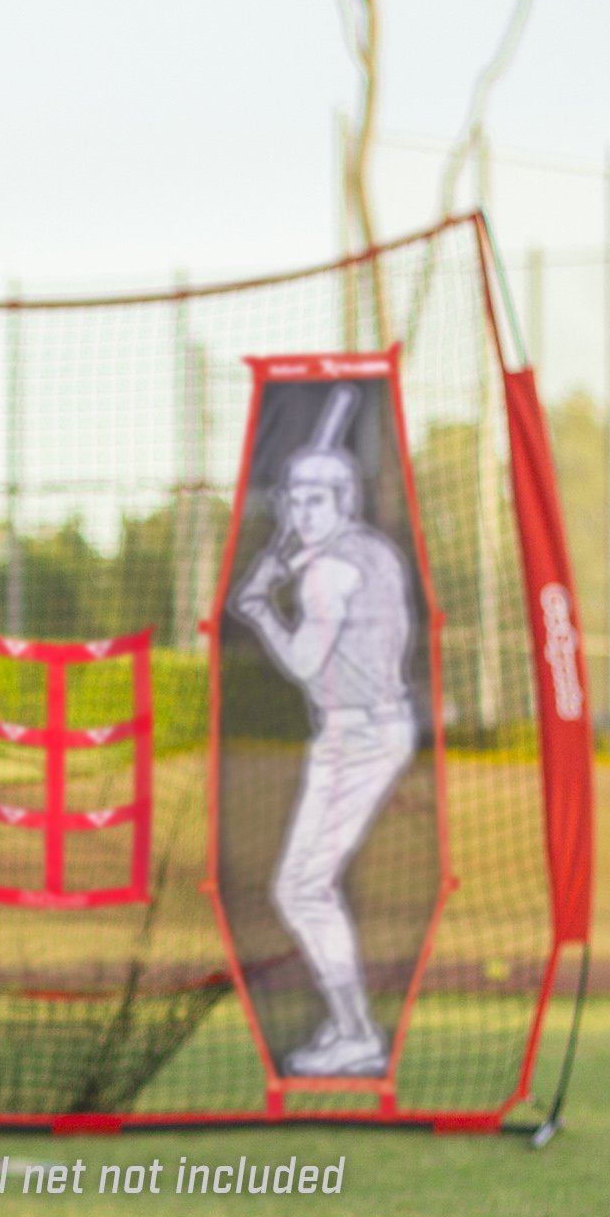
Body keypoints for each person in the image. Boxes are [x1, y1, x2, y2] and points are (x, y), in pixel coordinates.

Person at [228, 415, 415, 1079]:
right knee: (303, 887)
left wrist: (261, 613)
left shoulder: (328, 572)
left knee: (301, 888)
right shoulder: (364, 552)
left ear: (344, 502)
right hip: (364, 729)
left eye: (318, 499)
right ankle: (350, 1028)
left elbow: (307, 662)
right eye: (295, 499)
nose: (303, 510)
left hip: (360, 735)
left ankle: (355, 1032)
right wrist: (290, 569)